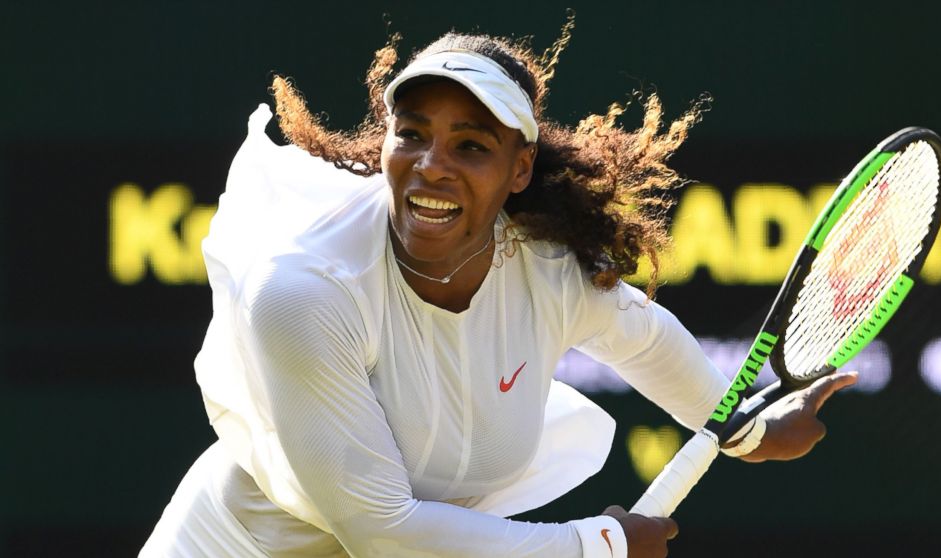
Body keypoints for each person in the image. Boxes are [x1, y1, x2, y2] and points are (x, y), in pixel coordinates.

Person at [141, 23, 857, 558]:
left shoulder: (545, 268)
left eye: (471, 146)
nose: (430, 167)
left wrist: (749, 432)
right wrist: (597, 545)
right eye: (412, 134)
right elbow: (381, 530)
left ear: (519, 170)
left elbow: (643, 338)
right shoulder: (304, 292)